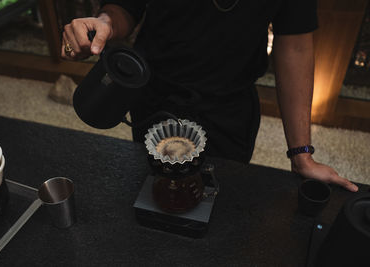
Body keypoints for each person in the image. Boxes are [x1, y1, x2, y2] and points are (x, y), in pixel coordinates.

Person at [61, 0, 358, 192]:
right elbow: (127, 6)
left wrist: (301, 154)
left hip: (230, 107)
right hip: (156, 94)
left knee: (222, 204)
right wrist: (105, 23)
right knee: (156, 187)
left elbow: (294, 43)